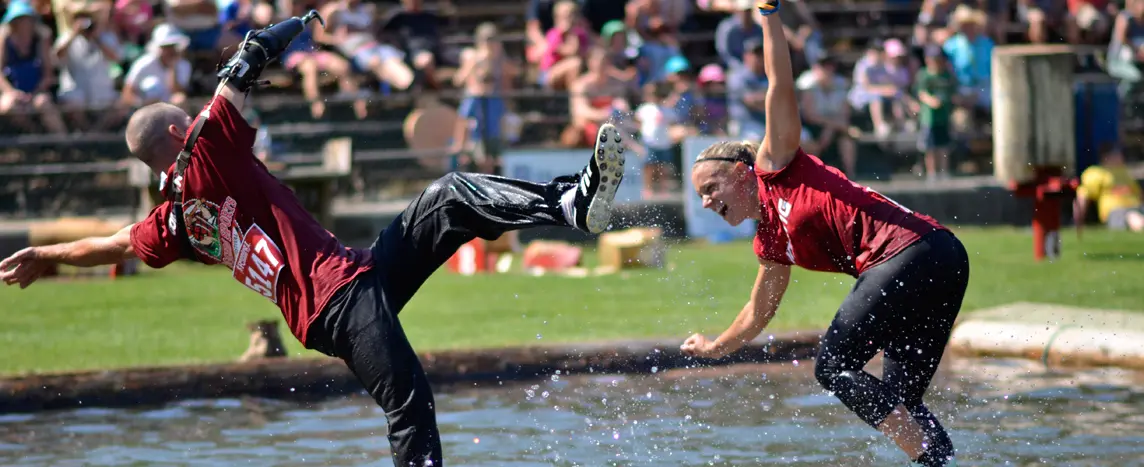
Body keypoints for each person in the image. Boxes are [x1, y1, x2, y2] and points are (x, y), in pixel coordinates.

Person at [0, 13, 628, 467]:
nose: (193, 112)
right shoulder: (206, 147)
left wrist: (45, 255)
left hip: (347, 282)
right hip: (338, 299)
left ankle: (573, 202)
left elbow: (111, 244)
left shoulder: (172, 218)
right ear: (176, 130)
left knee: (450, 197)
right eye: (182, 113)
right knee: (410, 409)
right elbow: (245, 61)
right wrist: (298, 22)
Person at [680, 3, 968, 467]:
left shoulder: (777, 163)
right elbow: (758, 311)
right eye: (701, 198)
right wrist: (716, 347)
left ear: (741, 170)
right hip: (941, 258)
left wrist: (769, 14)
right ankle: (941, 462)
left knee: (834, 367)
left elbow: (779, 83)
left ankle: (932, 462)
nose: (708, 201)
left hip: (911, 253)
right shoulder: (770, 242)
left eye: (711, 188)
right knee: (899, 402)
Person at [1075, 144, 1144, 232]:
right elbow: (1083, 196)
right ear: (1106, 157)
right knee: (1132, 216)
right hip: (1115, 212)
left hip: (1137, 207)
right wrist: (1079, 221)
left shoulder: (1124, 171)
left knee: (1135, 214)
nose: (1121, 156)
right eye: (1116, 153)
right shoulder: (1096, 172)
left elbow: (1139, 194)